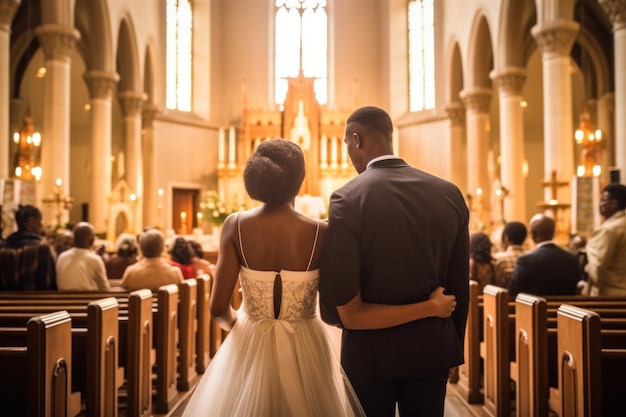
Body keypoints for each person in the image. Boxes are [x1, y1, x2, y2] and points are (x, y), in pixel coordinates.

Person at [181, 139, 456, 417]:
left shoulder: (235, 225)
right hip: (305, 342)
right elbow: (337, 298)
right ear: (298, 182)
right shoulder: (321, 232)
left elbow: (218, 309)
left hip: (249, 339)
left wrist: (243, 328)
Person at [318, 106, 469, 417]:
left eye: (347, 144)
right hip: (432, 348)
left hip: (370, 355)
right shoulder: (449, 194)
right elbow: (459, 284)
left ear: (356, 140)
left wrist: (336, 313)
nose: (348, 152)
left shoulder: (347, 198)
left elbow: (340, 304)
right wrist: (453, 347)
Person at [507, 213, 579, 297]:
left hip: (535, 309)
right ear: (553, 232)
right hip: (565, 309)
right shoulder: (572, 258)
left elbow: (512, 292)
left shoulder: (525, 261)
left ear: (533, 233)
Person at [584, 183, 626, 296]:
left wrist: (587, 266)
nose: (600, 204)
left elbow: (598, 269)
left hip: (612, 295)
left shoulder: (610, 230)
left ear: (613, 204)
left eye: (603, 200)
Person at [2, 204, 56, 290]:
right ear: (31, 221)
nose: (42, 225)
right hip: (39, 301)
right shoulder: (43, 249)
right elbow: (51, 283)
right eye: (41, 221)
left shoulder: (3, 247)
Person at [120, 228, 184, 291]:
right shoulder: (175, 273)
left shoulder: (131, 272)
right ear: (162, 248)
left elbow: (121, 293)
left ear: (141, 247)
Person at [56, 222, 110, 291]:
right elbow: (104, 288)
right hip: (88, 301)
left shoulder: (62, 257)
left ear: (73, 239)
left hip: (62, 300)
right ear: (91, 241)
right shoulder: (95, 260)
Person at [492, 221, 527, 288]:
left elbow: (495, 284)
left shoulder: (498, 258)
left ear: (506, 238)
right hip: (527, 297)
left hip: (503, 297)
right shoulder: (530, 258)